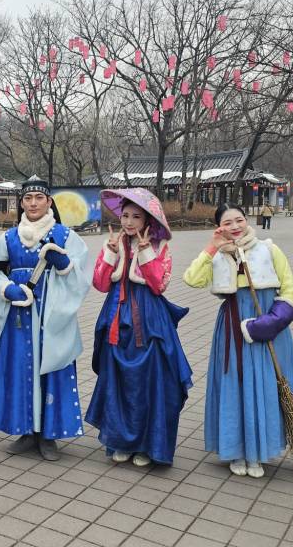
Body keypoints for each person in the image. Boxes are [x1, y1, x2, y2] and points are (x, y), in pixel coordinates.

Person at [183, 204, 293, 478]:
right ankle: (236, 450)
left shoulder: (269, 249)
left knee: (263, 384)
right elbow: (191, 279)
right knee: (234, 385)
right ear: (219, 227)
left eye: (239, 220)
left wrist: (270, 324)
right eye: (228, 223)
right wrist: (211, 248)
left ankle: (258, 452)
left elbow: (290, 288)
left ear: (247, 221)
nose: (235, 226)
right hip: (232, 327)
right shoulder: (218, 256)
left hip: (266, 326)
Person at [0, 176, 90, 461]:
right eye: (28, 199)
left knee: (51, 369)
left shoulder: (65, 236)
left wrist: (65, 266)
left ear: (49, 202)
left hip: (51, 317)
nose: (33, 203)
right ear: (21, 203)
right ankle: (27, 430)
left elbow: (83, 274)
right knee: (20, 368)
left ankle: (49, 435)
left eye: (39, 198)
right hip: (18, 317)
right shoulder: (8, 238)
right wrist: (7, 288)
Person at [87, 188, 192, 467]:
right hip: (116, 317)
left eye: (136, 216)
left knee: (149, 382)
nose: (129, 222)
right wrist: (109, 255)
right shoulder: (114, 242)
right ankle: (120, 441)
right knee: (119, 381)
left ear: (148, 220)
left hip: (149, 321)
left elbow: (159, 285)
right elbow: (100, 284)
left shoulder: (159, 247)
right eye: (125, 215)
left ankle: (147, 444)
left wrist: (145, 253)